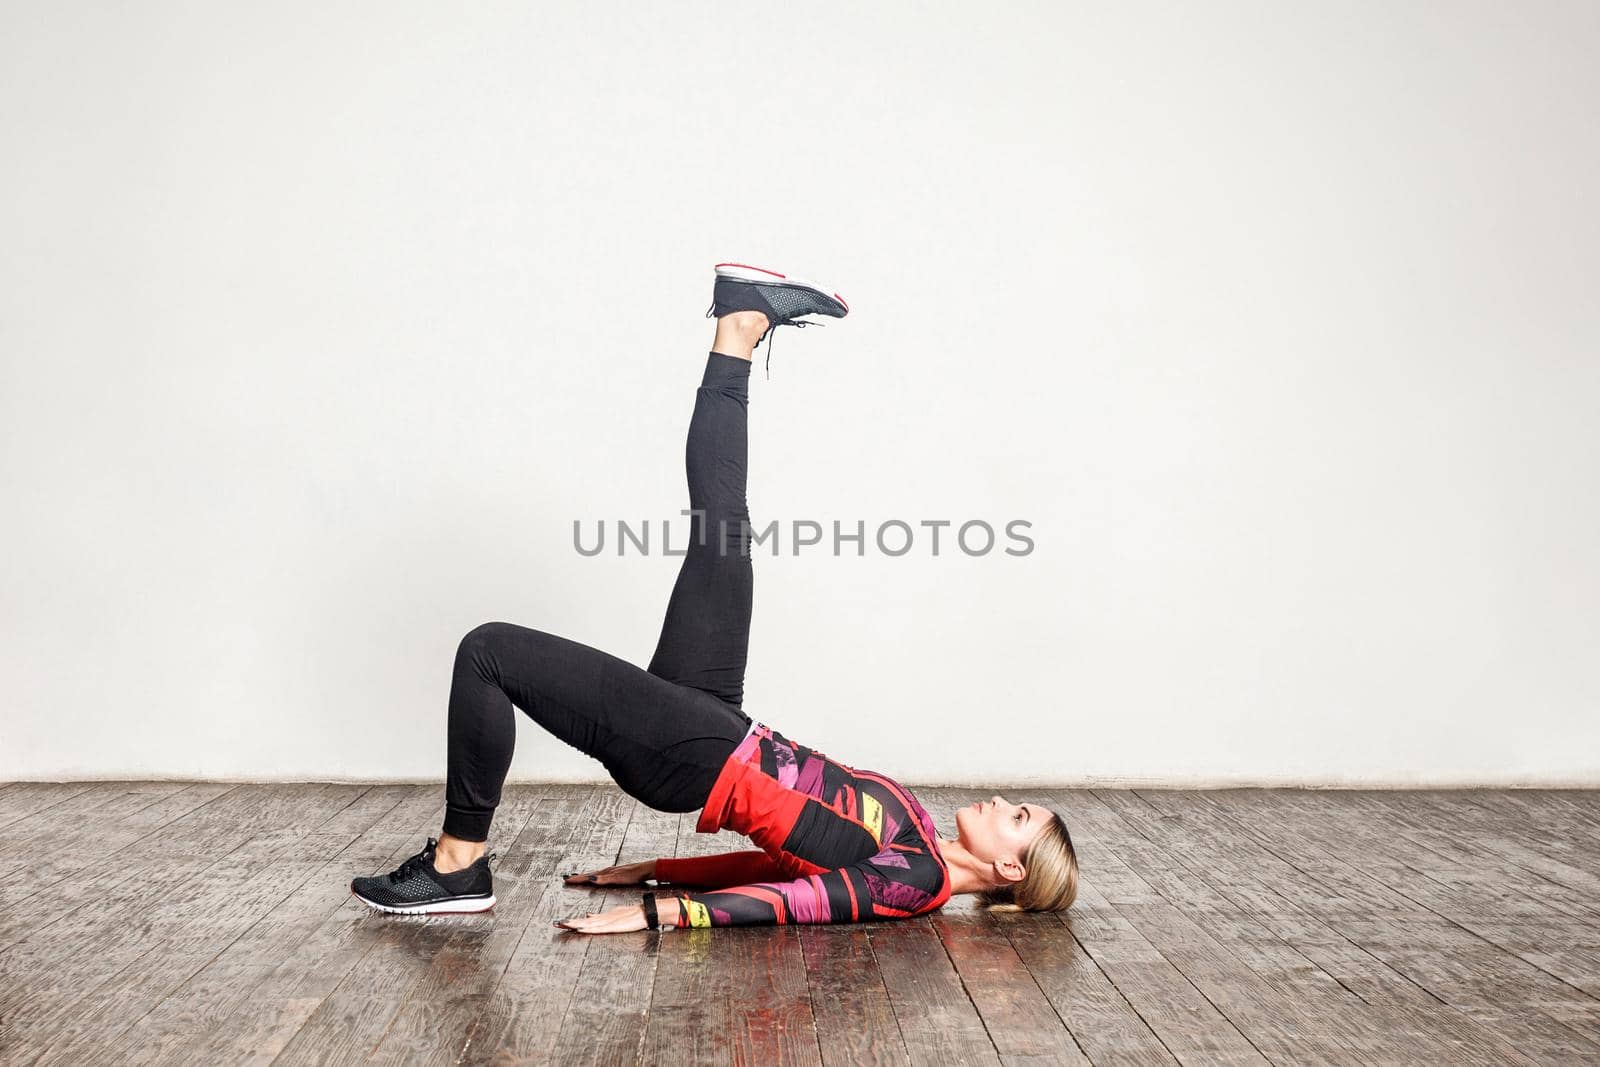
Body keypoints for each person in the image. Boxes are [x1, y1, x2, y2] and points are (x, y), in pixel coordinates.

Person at [350, 263, 1080, 931]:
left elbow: (800, 901)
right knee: (723, 523)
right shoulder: (917, 828)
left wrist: (665, 912)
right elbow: (779, 863)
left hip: (689, 755)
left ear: (1011, 868)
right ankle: (740, 322)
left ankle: (457, 864)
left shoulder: (916, 881)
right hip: (720, 722)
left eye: (1016, 816)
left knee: (487, 652)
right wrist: (661, 871)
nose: (1000, 802)